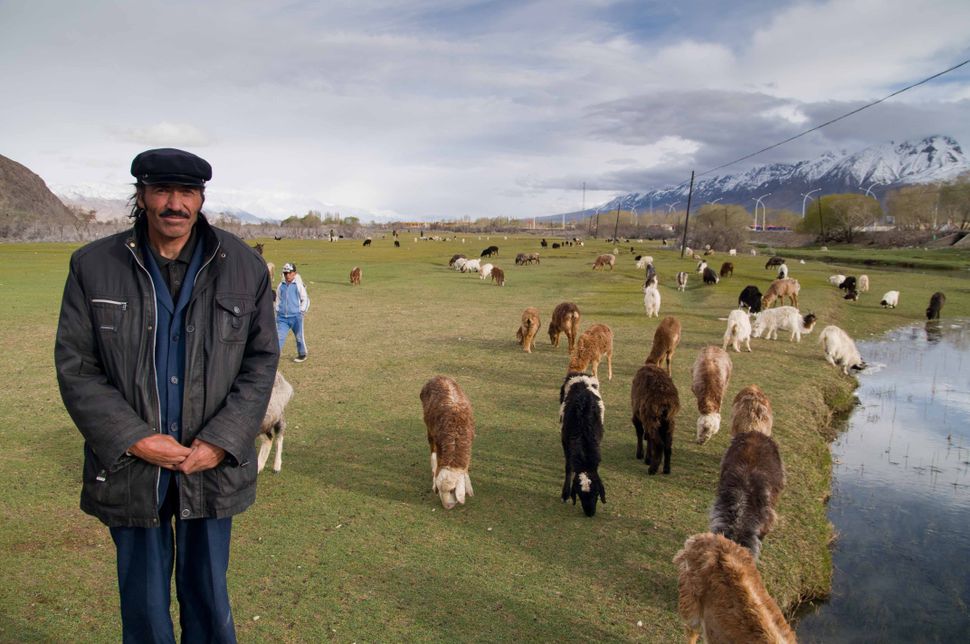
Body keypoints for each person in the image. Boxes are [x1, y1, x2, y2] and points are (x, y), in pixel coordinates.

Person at [54, 148, 279, 643]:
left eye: (187, 193)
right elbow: (77, 367)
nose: (174, 204)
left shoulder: (244, 267)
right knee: (145, 606)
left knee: (208, 596)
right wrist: (135, 439)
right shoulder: (94, 266)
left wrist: (221, 440)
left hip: (211, 466)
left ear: (201, 199)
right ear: (141, 196)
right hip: (133, 468)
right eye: (161, 191)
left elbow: (261, 362)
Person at [275, 262, 310, 362]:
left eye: (289, 273)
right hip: (282, 318)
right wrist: (277, 310)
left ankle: (302, 354)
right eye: (285, 273)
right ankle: (275, 356)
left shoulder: (298, 285)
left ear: (294, 273)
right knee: (279, 337)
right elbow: (278, 299)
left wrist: (302, 311)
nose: (287, 275)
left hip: (296, 317)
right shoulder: (280, 286)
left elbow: (305, 299)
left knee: (299, 336)